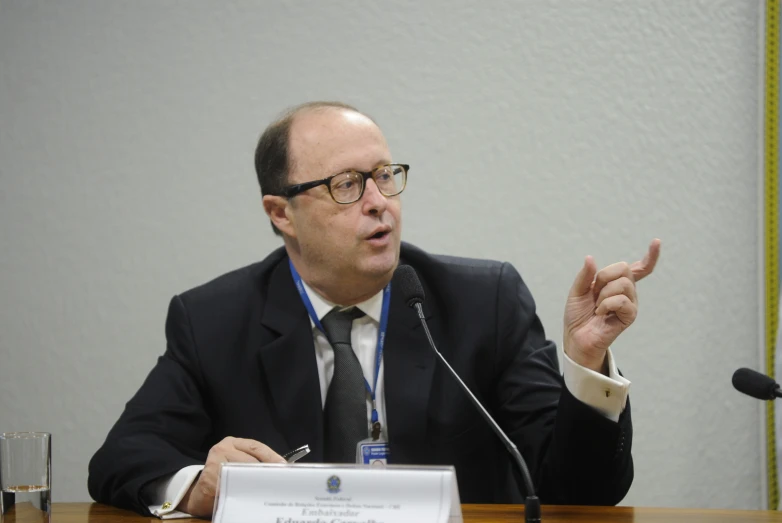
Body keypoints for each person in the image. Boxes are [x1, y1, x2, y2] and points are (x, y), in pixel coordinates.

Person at [88, 101, 661, 518]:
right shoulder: (213, 319)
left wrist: (587, 365)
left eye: (385, 176)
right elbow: (121, 458)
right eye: (346, 185)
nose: (378, 203)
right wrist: (197, 488)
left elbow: (582, 492)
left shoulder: (482, 303)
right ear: (281, 213)